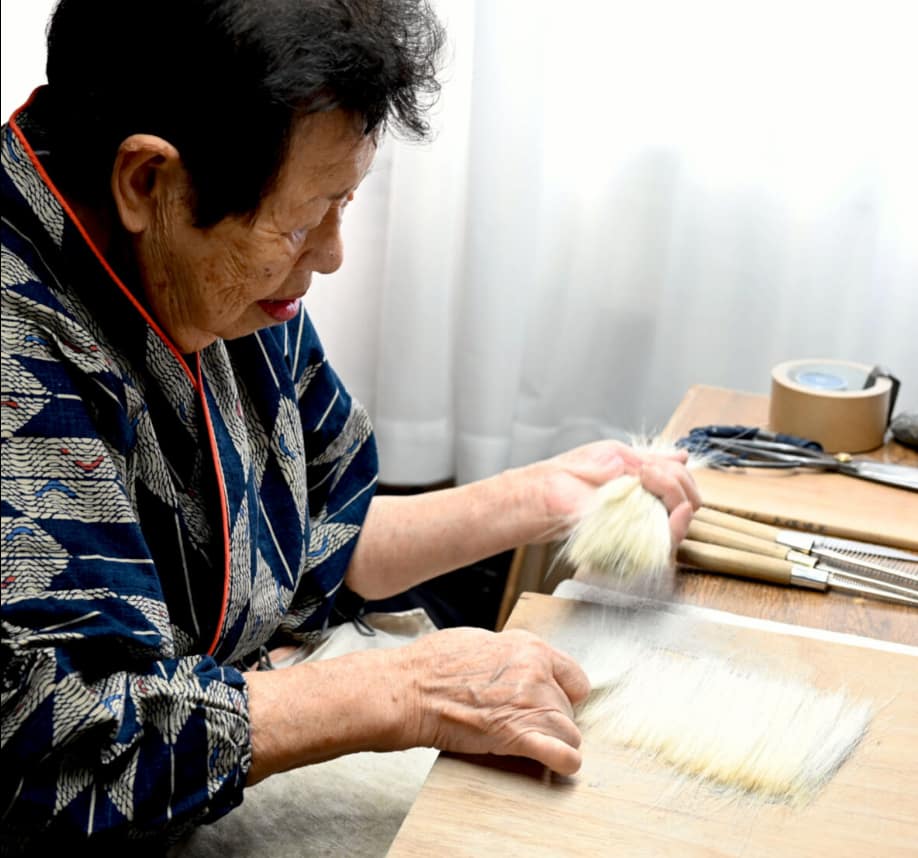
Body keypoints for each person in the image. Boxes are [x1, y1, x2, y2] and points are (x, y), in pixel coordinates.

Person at [0, 0, 701, 852]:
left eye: (344, 202)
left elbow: (317, 536)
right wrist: (404, 690)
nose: (329, 253)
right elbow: (58, 755)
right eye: (302, 220)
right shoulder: (20, 348)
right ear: (150, 181)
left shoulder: (219, 271)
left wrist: (545, 495)